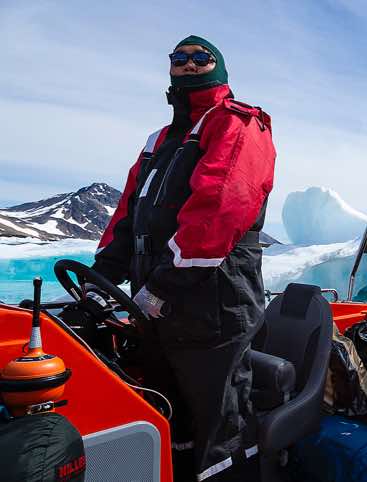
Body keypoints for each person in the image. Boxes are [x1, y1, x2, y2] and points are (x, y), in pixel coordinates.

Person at [91, 35, 275, 481]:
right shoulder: (159, 141)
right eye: (179, 59)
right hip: (155, 310)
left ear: (219, 68)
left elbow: (219, 210)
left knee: (221, 427)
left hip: (215, 308)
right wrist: (101, 281)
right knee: (167, 413)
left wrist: (161, 287)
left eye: (200, 58)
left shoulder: (236, 123)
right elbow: (128, 217)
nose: (188, 65)